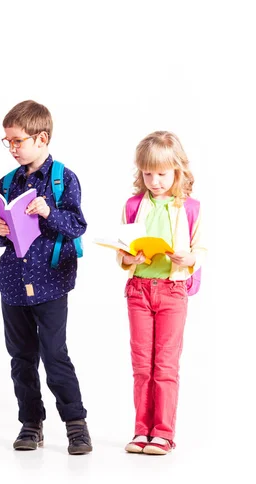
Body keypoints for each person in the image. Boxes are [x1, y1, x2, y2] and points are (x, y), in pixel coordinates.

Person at [0, 100, 92, 454]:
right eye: (8, 141)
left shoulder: (63, 178)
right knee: (21, 358)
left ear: (41, 138)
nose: (12, 148)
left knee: (55, 354)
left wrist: (49, 212)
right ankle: (31, 423)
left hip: (51, 282)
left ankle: (76, 424)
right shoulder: (6, 182)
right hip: (13, 284)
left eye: (18, 140)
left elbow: (78, 225)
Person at [118, 131, 206, 455]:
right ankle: (142, 431)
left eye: (162, 173)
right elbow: (123, 251)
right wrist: (129, 258)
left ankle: (164, 434)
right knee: (142, 366)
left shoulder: (191, 208)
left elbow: (202, 247)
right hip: (139, 291)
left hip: (172, 291)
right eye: (147, 173)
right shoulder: (132, 205)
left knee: (165, 366)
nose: (154, 181)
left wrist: (190, 258)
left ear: (177, 171)